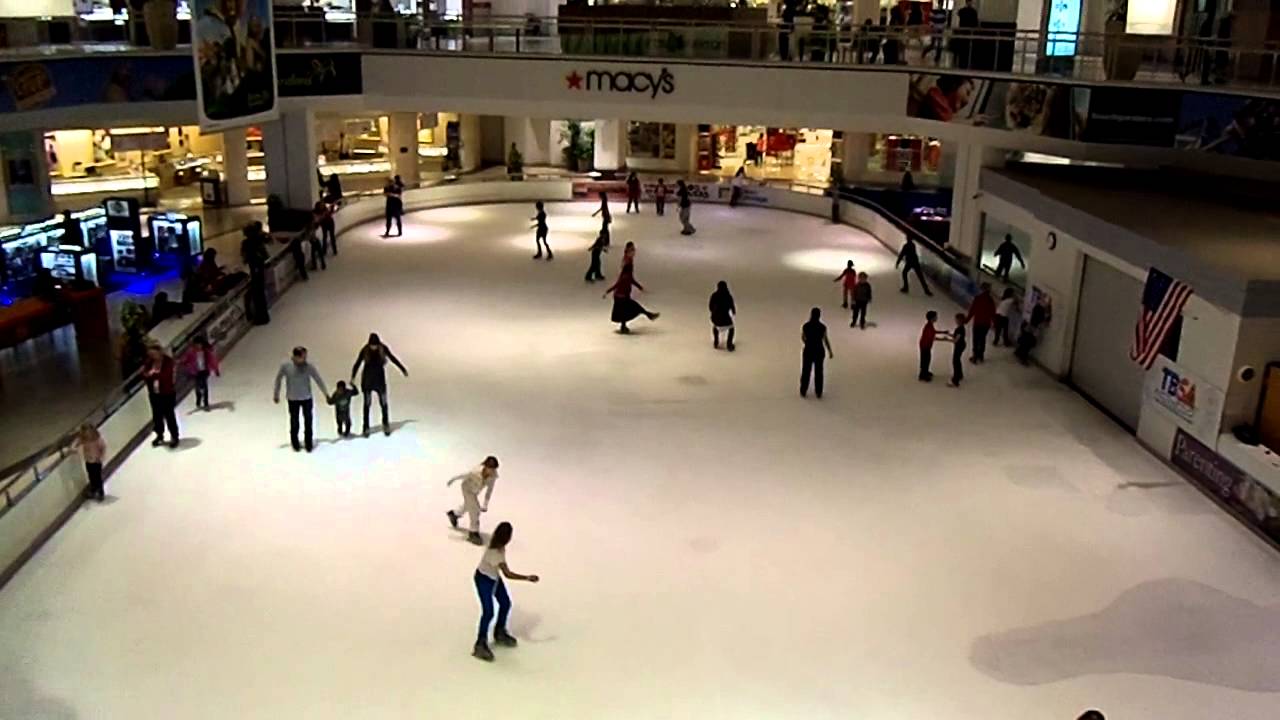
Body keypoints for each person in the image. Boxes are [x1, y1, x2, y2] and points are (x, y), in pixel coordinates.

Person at [471, 521, 539, 663]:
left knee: (505, 603)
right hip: (484, 580)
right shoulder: (495, 553)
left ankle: (499, 631)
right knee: (488, 612)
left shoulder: (498, 546)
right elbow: (508, 574)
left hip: (493, 577)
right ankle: (480, 643)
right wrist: (527, 578)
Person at [351, 332, 408, 437]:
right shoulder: (365, 350)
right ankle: (366, 427)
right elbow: (357, 363)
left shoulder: (383, 349)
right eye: (372, 345)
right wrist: (353, 377)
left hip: (380, 381)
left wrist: (402, 368)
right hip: (367, 381)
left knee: (384, 403)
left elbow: (392, 358)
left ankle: (385, 424)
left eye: (375, 345)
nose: (373, 347)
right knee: (367, 404)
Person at [273, 346, 328, 452]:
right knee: (294, 421)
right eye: (303, 357)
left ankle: (308, 443)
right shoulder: (286, 366)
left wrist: (326, 393)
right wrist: (276, 394)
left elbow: (318, 379)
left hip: (306, 398)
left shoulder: (309, 366)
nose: (304, 359)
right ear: (295, 357)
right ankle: (295, 442)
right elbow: (278, 379)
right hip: (293, 398)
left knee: (308, 421)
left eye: (305, 356)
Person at [447, 456, 500, 545]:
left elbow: (489, 490)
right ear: (485, 466)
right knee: (475, 510)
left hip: (475, 490)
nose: (491, 471)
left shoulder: (493, 476)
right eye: (490, 468)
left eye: (493, 469)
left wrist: (485, 503)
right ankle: (473, 532)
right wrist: (453, 479)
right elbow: (464, 475)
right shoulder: (475, 471)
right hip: (467, 489)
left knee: (469, 505)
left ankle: (454, 514)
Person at [603, 263, 660, 334]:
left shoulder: (627, 276)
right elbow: (616, 285)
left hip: (621, 297)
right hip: (621, 298)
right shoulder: (624, 277)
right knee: (635, 307)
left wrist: (641, 288)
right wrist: (607, 292)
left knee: (624, 312)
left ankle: (624, 327)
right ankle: (649, 315)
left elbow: (633, 282)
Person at [142, 344, 180, 448]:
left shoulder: (168, 362)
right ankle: (159, 434)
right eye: (150, 354)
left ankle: (174, 436)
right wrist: (148, 375)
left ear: (160, 352)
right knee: (157, 416)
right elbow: (144, 374)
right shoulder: (149, 362)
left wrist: (152, 374)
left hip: (167, 393)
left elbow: (166, 376)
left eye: (154, 354)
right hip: (154, 394)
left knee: (169, 415)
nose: (153, 356)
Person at [800, 307, 833, 398]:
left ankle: (803, 390)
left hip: (808, 350)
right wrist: (830, 351)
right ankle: (818, 391)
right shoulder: (822, 327)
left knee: (806, 371)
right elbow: (825, 339)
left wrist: (807, 342)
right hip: (819, 351)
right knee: (819, 371)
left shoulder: (806, 326)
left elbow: (803, 338)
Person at [241, 223, 270, 325]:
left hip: (255, 269)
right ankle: (264, 316)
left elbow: (244, 257)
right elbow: (266, 254)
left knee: (258, 295)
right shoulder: (259, 240)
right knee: (260, 294)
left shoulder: (247, 243)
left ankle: (261, 317)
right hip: (259, 268)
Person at [182, 336, 220, 410]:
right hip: (195, 372)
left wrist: (216, 370)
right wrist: (182, 363)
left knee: (205, 387)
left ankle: (206, 403)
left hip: (204, 371)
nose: (198, 346)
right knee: (198, 387)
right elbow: (185, 360)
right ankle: (199, 398)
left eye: (200, 344)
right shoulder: (191, 352)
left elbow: (212, 360)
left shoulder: (206, 351)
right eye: (197, 344)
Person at [73, 424, 107, 502]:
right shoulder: (83, 439)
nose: (85, 434)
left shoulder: (97, 439)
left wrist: (101, 457)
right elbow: (76, 442)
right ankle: (94, 490)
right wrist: (73, 448)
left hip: (97, 461)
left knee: (97, 477)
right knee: (91, 476)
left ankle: (101, 492)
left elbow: (103, 447)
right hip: (88, 461)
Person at [966, 282, 996, 363]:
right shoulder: (990, 300)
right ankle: (981, 356)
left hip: (978, 322)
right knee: (982, 339)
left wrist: (966, 320)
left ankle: (975, 356)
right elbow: (993, 313)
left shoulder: (978, 298)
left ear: (981, 288)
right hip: (986, 324)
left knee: (976, 339)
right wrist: (994, 323)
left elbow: (972, 310)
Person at [941, 312, 967, 387]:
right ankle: (960, 374)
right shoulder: (959, 328)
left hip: (959, 346)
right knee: (957, 360)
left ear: (959, 320)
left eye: (956, 319)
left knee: (955, 361)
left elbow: (955, 340)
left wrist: (946, 339)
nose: (955, 320)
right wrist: (948, 334)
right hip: (960, 345)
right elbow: (955, 336)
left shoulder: (960, 329)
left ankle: (955, 380)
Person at [709, 280, 736, 351]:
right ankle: (729, 343)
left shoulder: (714, 295)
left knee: (715, 327)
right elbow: (732, 307)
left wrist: (713, 314)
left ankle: (716, 341)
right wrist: (733, 312)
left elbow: (710, 306)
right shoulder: (728, 296)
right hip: (726, 319)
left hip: (716, 319)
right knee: (731, 328)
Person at [954, 0, 979, 69]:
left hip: (962, 32)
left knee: (962, 49)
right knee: (968, 49)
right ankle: (966, 64)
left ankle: (961, 64)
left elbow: (958, 16)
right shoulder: (973, 12)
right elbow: (975, 23)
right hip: (970, 33)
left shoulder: (962, 11)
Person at [919, 310, 939, 382]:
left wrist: (943, 332)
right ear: (932, 318)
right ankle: (923, 375)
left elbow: (934, 332)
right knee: (925, 360)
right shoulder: (928, 327)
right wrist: (944, 339)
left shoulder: (930, 325)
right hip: (925, 346)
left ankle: (925, 372)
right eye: (936, 317)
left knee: (926, 359)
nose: (937, 318)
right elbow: (932, 337)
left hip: (926, 346)